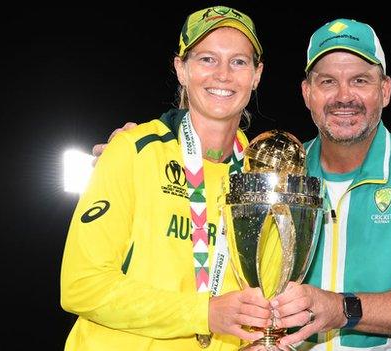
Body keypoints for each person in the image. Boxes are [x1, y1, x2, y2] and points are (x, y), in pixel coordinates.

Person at [95, 17, 391, 351]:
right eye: (327, 82)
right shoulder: (277, 168)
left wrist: (339, 308)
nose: (343, 96)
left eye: (360, 80)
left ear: (385, 90)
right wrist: (144, 151)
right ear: (307, 93)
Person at [60, 6, 273, 351]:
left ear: (256, 74)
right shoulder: (132, 150)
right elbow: (81, 285)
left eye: (238, 62)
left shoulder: (262, 175)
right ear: (181, 69)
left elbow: (262, 293)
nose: (223, 74)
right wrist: (202, 313)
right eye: (206, 59)